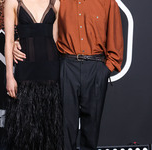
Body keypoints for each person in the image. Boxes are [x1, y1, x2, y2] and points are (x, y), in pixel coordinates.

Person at [13, 0, 124, 149]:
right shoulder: (60, 2)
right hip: (67, 66)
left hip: (95, 67)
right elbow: (41, 26)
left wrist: (104, 71)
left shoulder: (107, 2)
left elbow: (115, 37)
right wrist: (19, 41)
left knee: (91, 128)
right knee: (64, 128)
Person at [3, 0, 62, 149]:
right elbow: (9, 41)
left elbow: (56, 38)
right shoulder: (12, 2)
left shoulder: (55, 3)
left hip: (51, 70)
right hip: (26, 69)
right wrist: (9, 76)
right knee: (24, 127)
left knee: (49, 127)